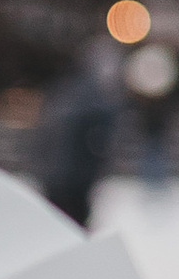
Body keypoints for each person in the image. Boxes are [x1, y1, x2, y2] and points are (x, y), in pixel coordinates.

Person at [34, 38, 121, 230]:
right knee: (72, 228)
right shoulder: (95, 100)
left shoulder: (63, 90)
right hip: (74, 179)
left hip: (55, 176)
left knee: (57, 227)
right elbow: (97, 143)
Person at [122, 38, 179, 196]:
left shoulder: (160, 97)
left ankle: (155, 183)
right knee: (153, 153)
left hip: (156, 125)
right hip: (152, 125)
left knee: (155, 153)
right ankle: (152, 182)